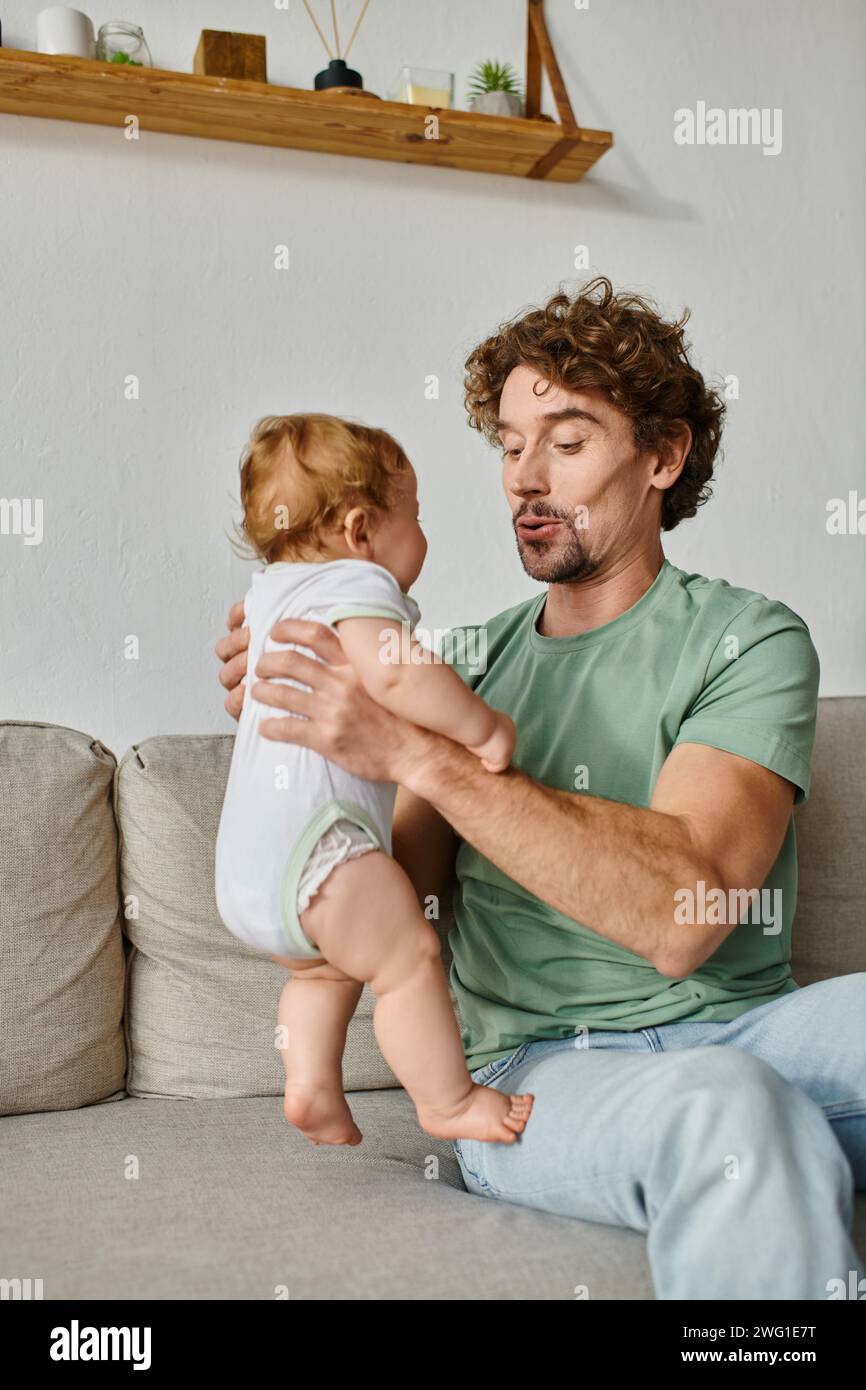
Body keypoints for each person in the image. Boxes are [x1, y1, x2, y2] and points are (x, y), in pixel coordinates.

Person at [215, 278, 865, 1299]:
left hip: (744, 1024)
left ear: (661, 456)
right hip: (537, 1076)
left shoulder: (747, 639)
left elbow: (677, 912)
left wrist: (417, 751)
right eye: (510, 445)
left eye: (565, 441)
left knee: (737, 1077)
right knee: (729, 1106)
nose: (525, 478)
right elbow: (395, 900)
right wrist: (300, 736)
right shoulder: (455, 660)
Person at [215, 412, 532, 1149]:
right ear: (361, 531)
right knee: (407, 960)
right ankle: (448, 1100)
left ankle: (312, 1086)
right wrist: (480, 728)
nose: (422, 535)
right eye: (413, 517)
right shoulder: (357, 583)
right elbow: (394, 669)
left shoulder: (270, 594)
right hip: (323, 851)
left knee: (323, 973)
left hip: (249, 869)